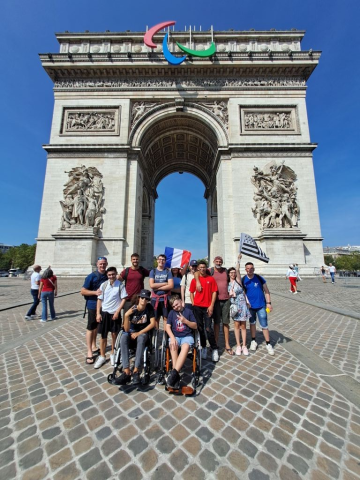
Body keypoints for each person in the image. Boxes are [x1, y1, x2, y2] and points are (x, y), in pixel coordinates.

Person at [115, 289, 156, 385]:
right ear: (138, 298)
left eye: (146, 299)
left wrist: (139, 333)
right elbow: (126, 329)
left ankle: (136, 370)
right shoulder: (131, 308)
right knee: (123, 337)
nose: (143, 300)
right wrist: (126, 316)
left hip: (142, 333)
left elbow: (153, 323)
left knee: (141, 338)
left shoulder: (149, 308)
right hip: (131, 332)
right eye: (142, 298)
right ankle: (126, 371)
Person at [95, 267, 127, 369]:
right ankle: (102, 356)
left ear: (116, 274)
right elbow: (99, 300)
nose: (111, 276)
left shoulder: (121, 285)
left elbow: (124, 299)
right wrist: (98, 314)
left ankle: (113, 353)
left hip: (114, 313)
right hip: (104, 313)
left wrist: (118, 311)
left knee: (114, 335)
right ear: (107, 275)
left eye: (113, 274)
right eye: (109, 275)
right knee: (103, 336)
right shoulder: (104, 285)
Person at [241, 259, 274, 356]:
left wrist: (268, 303)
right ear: (245, 269)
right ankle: (253, 341)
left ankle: (268, 343)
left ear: (254, 269)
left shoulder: (260, 278)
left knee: (264, 324)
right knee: (252, 323)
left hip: (261, 305)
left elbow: (267, 291)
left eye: (251, 268)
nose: (250, 270)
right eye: (248, 268)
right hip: (250, 306)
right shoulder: (243, 280)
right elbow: (243, 294)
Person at [189, 261, 219, 362]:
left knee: (208, 329)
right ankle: (204, 347)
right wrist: (193, 303)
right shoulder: (194, 280)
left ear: (206, 268)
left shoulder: (211, 279)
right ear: (198, 268)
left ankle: (214, 348)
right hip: (197, 307)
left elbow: (214, 292)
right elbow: (191, 292)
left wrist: (211, 305)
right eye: (200, 267)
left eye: (204, 267)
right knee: (200, 328)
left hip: (207, 307)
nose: (202, 269)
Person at [81, 256, 108, 365]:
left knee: (97, 326)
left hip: (104, 305)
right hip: (92, 305)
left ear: (107, 264)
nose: (102, 265)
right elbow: (82, 291)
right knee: (91, 327)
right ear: (97, 264)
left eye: (104, 263)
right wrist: (94, 293)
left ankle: (93, 345)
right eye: (100, 263)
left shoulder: (108, 276)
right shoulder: (91, 276)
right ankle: (89, 351)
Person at [165, 295, 197, 387]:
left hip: (187, 336)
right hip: (176, 337)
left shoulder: (188, 312)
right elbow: (167, 327)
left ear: (181, 302)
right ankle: (175, 376)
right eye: (174, 306)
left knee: (186, 346)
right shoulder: (171, 313)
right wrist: (172, 337)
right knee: (173, 345)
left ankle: (174, 374)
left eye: (177, 304)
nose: (176, 307)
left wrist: (185, 321)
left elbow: (195, 326)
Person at [210, 256, 232, 356]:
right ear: (214, 262)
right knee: (216, 323)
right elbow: (198, 272)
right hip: (215, 301)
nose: (218, 263)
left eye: (220, 261)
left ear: (222, 262)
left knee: (226, 323)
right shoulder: (210, 271)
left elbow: (235, 276)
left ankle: (227, 344)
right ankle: (215, 344)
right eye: (217, 261)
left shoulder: (226, 271)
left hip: (226, 300)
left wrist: (239, 261)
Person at [228, 265, 251, 356]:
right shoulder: (227, 284)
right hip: (235, 306)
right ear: (228, 274)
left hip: (242, 305)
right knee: (236, 325)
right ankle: (238, 345)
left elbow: (237, 270)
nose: (233, 274)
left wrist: (238, 260)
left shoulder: (238, 281)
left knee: (243, 326)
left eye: (234, 273)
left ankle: (244, 345)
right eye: (231, 273)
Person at [149, 254, 174, 329]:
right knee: (156, 318)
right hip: (155, 299)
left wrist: (158, 288)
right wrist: (165, 283)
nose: (161, 261)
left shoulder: (168, 272)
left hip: (165, 298)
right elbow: (152, 285)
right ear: (157, 260)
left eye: (163, 259)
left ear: (165, 261)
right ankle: (156, 335)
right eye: (160, 259)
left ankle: (165, 336)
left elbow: (171, 286)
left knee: (166, 318)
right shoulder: (152, 271)